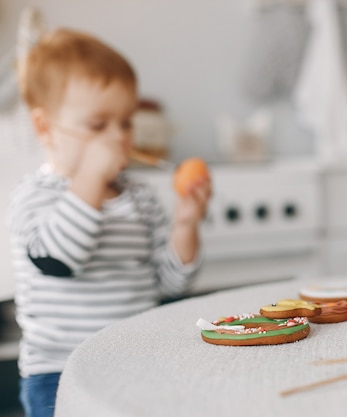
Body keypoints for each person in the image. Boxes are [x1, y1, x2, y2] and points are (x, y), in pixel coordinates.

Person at [8, 28, 212, 417]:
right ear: (44, 127)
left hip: (138, 360)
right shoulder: (34, 196)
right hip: (58, 371)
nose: (117, 137)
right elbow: (59, 261)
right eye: (98, 125)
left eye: (125, 123)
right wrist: (89, 180)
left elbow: (172, 284)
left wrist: (185, 225)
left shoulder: (140, 197)